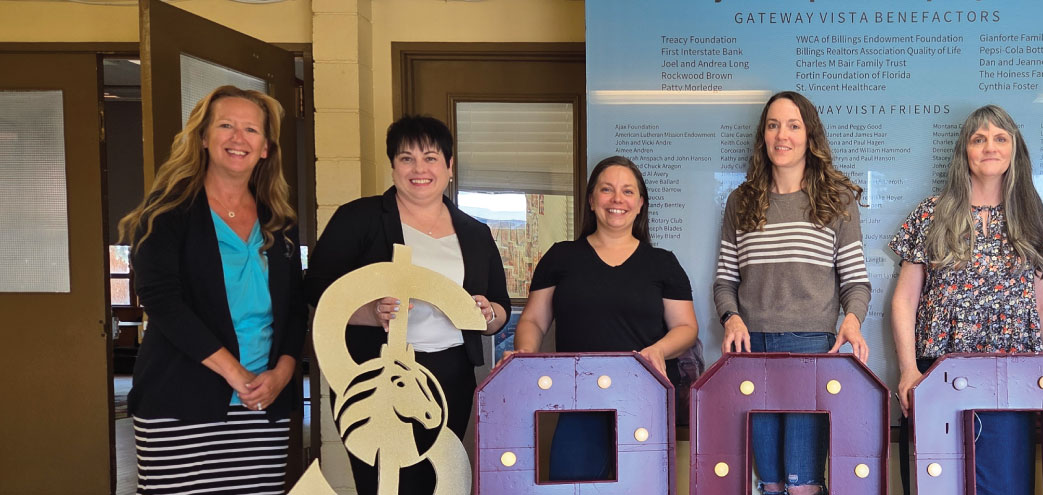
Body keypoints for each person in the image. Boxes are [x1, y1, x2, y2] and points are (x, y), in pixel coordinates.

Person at [304, 115, 511, 495]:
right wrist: (369, 313)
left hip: (450, 373)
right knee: (382, 481)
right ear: (393, 166)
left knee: (438, 480)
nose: (420, 169)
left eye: (431, 158)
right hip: (375, 373)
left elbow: (498, 310)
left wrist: (487, 314)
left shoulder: (474, 232)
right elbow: (318, 288)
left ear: (450, 166)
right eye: (406, 158)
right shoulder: (359, 217)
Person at [119, 85, 305, 495]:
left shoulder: (279, 222)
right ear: (203, 138)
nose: (238, 138)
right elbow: (164, 304)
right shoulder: (164, 216)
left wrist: (284, 373)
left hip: (262, 404)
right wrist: (236, 374)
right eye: (226, 125)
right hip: (180, 400)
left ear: (265, 149)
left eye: (251, 130)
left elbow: (294, 310)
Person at [890, 104, 1043, 494]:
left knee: (1005, 483)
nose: (990, 146)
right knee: (941, 484)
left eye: (1000, 138)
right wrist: (906, 370)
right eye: (979, 138)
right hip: (939, 373)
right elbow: (904, 300)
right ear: (964, 151)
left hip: (1013, 379)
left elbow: (1042, 305)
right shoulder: (931, 214)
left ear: (1014, 149)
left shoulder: (1034, 219)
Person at [714, 91, 870, 495]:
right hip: (753, 350)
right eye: (773, 125)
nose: (782, 135)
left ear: (809, 136)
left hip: (812, 350)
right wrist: (731, 317)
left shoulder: (836, 200)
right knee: (769, 481)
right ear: (763, 136)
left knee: (803, 483)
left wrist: (852, 320)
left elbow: (855, 281)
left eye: (793, 125)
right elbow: (725, 280)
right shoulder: (741, 202)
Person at [509, 155, 699, 482]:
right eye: (607, 189)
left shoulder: (662, 263)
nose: (617, 199)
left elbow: (686, 328)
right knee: (572, 485)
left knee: (643, 486)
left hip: (644, 397)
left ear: (640, 204)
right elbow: (534, 321)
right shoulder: (561, 257)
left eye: (627, 192)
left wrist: (658, 350)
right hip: (576, 397)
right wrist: (525, 356)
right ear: (592, 200)